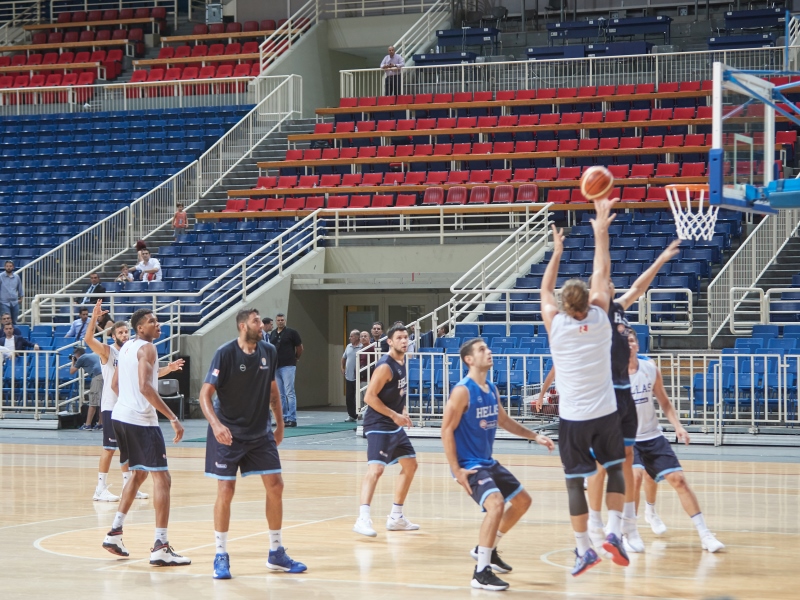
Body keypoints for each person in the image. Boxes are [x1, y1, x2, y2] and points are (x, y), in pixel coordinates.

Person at [540, 199, 629, 576]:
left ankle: (584, 550)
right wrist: (600, 232)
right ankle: (614, 532)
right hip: (606, 412)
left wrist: (557, 251)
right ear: (590, 301)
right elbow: (602, 269)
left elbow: (544, 290)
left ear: (563, 305)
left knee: (575, 481)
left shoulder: (555, 325)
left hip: (573, 416)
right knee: (616, 468)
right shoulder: (602, 317)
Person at [585, 239, 681, 554]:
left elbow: (639, 287)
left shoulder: (617, 309)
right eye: (606, 282)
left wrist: (661, 259)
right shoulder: (595, 312)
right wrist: (601, 232)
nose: (612, 284)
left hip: (622, 393)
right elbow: (603, 270)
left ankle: (627, 526)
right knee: (605, 465)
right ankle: (596, 522)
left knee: (626, 461)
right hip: (604, 394)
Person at [200, 308, 307, 580]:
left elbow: (273, 390)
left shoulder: (268, 351)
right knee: (226, 490)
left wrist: (280, 424)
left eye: (261, 321)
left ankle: (276, 552)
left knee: (276, 485)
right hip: (228, 432)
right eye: (256, 321)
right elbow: (204, 395)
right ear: (242, 325)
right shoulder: (225, 353)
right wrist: (216, 425)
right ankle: (220, 555)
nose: (262, 325)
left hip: (259, 432)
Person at [442, 338, 554, 591]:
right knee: (496, 505)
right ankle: (481, 572)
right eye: (482, 349)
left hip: (487, 461)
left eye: (487, 348)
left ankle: (488, 550)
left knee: (523, 501)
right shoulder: (462, 390)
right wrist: (457, 469)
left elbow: (503, 420)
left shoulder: (491, 388)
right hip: (469, 464)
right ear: (469, 359)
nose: (489, 351)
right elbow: (446, 430)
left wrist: (534, 435)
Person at [102, 308, 190, 567]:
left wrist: (165, 371)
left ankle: (114, 533)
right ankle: (160, 546)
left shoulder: (127, 347)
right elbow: (144, 386)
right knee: (162, 478)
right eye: (152, 321)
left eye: (157, 319)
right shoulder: (148, 349)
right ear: (140, 328)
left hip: (120, 416)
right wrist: (173, 417)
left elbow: (117, 385)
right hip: (141, 420)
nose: (157, 323)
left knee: (138, 474)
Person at [626, 332, 725, 553]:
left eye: (631, 340)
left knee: (678, 479)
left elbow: (665, 401)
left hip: (652, 435)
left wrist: (678, 426)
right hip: (627, 438)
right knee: (635, 478)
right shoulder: (612, 375)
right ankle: (628, 533)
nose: (628, 344)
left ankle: (705, 535)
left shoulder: (649, 369)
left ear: (637, 344)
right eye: (623, 342)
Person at [85, 300, 183, 502]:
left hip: (125, 409)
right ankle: (100, 487)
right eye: (119, 333)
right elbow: (88, 341)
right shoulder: (108, 351)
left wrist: (168, 369)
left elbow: (149, 376)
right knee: (109, 448)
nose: (123, 335)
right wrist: (94, 318)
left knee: (126, 451)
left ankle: (128, 485)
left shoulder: (129, 350)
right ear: (113, 336)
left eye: (125, 332)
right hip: (113, 406)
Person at [353, 323, 419, 538]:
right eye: (399, 337)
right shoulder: (385, 366)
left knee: (410, 465)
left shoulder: (403, 361)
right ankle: (362, 519)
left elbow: (398, 392)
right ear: (389, 341)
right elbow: (369, 397)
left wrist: (404, 411)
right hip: (379, 424)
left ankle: (396, 517)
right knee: (376, 470)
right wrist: (394, 415)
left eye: (406, 337)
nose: (404, 340)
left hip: (393, 424)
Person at [269, 313, 303, 428]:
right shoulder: (272, 334)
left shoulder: (292, 333)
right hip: (276, 366)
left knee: (289, 392)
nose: (280, 322)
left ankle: (292, 418)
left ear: (285, 321)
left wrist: (296, 358)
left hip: (288, 365)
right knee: (280, 394)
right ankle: (282, 418)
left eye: (282, 320)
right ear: (275, 321)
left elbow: (300, 347)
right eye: (278, 320)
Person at [71, 346, 103, 431]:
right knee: (101, 401)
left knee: (93, 401)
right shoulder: (93, 355)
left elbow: (72, 371)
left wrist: (73, 361)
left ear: (77, 355)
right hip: (105, 375)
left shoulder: (81, 358)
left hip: (97, 376)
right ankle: (100, 424)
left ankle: (87, 425)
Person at [341, 329, 362, 422]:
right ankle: (351, 415)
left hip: (359, 377)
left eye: (351, 336)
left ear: (357, 337)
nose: (350, 338)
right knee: (349, 397)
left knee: (359, 397)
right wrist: (342, 368)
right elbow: (343, 358)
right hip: (348, 376)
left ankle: (359, 414)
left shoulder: (362, 347)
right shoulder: (348, 346)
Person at [0, 260, 24, 324]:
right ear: (5, 267)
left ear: (13, 267)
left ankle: (14, 334)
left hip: (15, 303)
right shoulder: (0, 276)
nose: (8, 267)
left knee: (14, 321)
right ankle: (4, 334)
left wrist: (21, 298)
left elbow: (20, 288)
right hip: (4, 303)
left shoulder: (17, 277)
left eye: (10, 266)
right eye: (7, 266)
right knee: (6, 321)